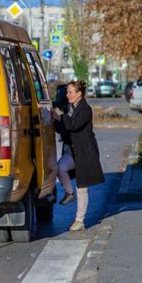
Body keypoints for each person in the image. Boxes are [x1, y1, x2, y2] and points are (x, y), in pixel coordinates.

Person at [52, 80, 105, 231]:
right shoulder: (70, 107)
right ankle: (69, 193)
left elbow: (73, 125)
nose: (67, 95)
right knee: (59, 167)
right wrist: (55, 121)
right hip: (73, 150)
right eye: (67, 92)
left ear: (79, 94)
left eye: (70, 92)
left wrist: (60, 116)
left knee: (82, 187)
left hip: (84, 151)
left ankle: (79, 221)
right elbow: (63, 128)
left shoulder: (85, 109)